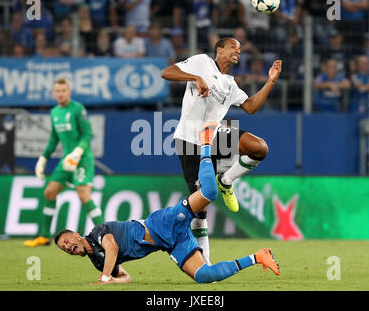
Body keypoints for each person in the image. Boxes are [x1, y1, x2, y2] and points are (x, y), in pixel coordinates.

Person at [54, 122, 280, 284]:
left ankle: (205, 145)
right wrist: (114, 280)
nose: (66, 247)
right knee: (205, 276)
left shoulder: (98, 233)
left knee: (209, 192)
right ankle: (258, 257)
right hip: (170, 243)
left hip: (162, 224)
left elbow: (112, 246)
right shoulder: (97, 260)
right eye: (63, 248)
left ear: (76, 235)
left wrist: (104, 277)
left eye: (65, 241)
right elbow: (124, 276)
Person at [161, 38, 282, 265]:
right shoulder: (201, 62)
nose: (238, 52)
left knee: (259, 148)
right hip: (189, 139)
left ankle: (226, 181)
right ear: (219, 50)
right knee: (201, 204)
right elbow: (166, 73)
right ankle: (204, 264)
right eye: (233, 48)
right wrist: (195, 77)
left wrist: (270, 82)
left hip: (214, 136)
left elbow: (251, 107)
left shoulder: (230, 84)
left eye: (239, 49)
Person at [24, 78, 104, 247]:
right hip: (66, 160)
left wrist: (78, 151)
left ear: (69, 92)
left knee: (84, 195)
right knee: (49, 192)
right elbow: (54, 138)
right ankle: (45, 236)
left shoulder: (77, 109)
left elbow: (88, 134)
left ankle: (106, 235)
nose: (60, 94)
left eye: (63, 90)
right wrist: (43, 158)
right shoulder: (54, 112)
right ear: (54, 94)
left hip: (81, 159)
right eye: (57, 91)